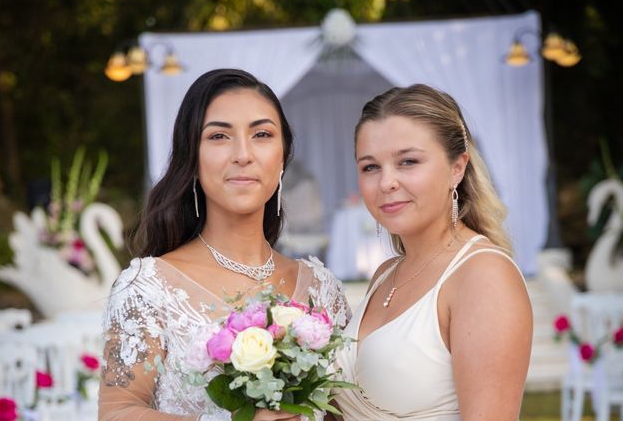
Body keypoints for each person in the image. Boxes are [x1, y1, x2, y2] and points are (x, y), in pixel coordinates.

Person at [98, 69, 350, 421]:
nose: (243, 154)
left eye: (262, 134)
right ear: (192, 157)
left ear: (282, 156)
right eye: (219, 136)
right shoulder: (147, 288)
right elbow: (116, 412)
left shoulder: (322, 292)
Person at [332, 84, 532, 420]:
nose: (386, 183)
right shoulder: (385, 274)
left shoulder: (482, 276)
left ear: (457, 167)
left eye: (408, 161)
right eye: (370, 167)